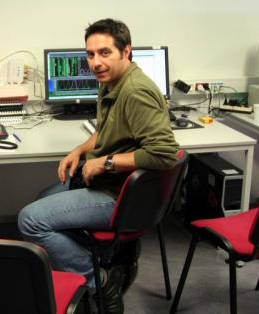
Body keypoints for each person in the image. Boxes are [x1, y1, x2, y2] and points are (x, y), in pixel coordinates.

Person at [18, 18, 178, 313]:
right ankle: (113, 256)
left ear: (126, 51)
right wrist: (79, 150)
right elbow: (106, 130)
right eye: (90, 55)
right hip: (109, 183)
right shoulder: (112, 82)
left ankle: (100, 281)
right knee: (43, 199)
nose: (95, 62)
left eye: (104, 53)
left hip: (119, 196)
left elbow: (165, 153)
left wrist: (106, 163)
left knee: (30, 220)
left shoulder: (136, 93)